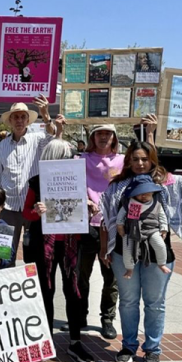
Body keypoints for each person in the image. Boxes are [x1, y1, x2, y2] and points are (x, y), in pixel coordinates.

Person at [100, 133, 182, 362]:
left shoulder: (167, 181)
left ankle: (152, 349)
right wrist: (104, 248)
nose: (139, 163)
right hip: (124, 252)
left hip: (158, 254)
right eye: (135, 159)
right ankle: (128, 346)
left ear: (152, 159)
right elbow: (107, 220)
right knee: (127, 302)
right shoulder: (116, 185)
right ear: (128, 161)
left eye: (144, 159)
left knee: (155, 303)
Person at [22, 139, 96, 362]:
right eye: (64, 156)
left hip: (71, 243)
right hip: (43, 244)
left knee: (73, 290)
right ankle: (46, 340)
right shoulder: (37, 182)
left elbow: (86, 206)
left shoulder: (77, 179)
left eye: (72, 156)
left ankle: (75, 341)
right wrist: (37, 211)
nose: (70, 160)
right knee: (45, 290)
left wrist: (90, 208)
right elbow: (26, 213)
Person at [0, 97, 62, 263]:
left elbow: (52, 135)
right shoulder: (2, 145)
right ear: (10, 121)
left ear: (28, 120)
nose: (19, 120)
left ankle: (33, 286)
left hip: (33, 206)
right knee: (5, 254)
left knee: (34, 254)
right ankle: (6, 284)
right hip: (8, 206)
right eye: (16, 117)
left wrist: (46, 114)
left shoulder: (38, 139)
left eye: (23, 117)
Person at [77, 123, 123, 339]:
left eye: (108, 133)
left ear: (114, 137)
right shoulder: (80, 160)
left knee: (111, 277)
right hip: (86, 226)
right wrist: (83, 200)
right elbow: (69, 185)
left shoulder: (124, 161)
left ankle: (107, 318)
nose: (103, 137)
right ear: (92, 137)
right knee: (80, 275)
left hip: (113, 227)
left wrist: (150, 134)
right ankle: (79, 315)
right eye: (99, 133)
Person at [117, 176, 171, 275]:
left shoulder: (157, 203)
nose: (144, 196)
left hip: (152, 229)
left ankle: (162, 263)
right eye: (140, 194)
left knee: (160, 245)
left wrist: (164, 228)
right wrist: (120, 225)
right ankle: (129, 269)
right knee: (127, 248)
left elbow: (162, 216)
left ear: (153, 193)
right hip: (132, 229)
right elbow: (121, 215)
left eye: (147, 193)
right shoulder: (130, 203)